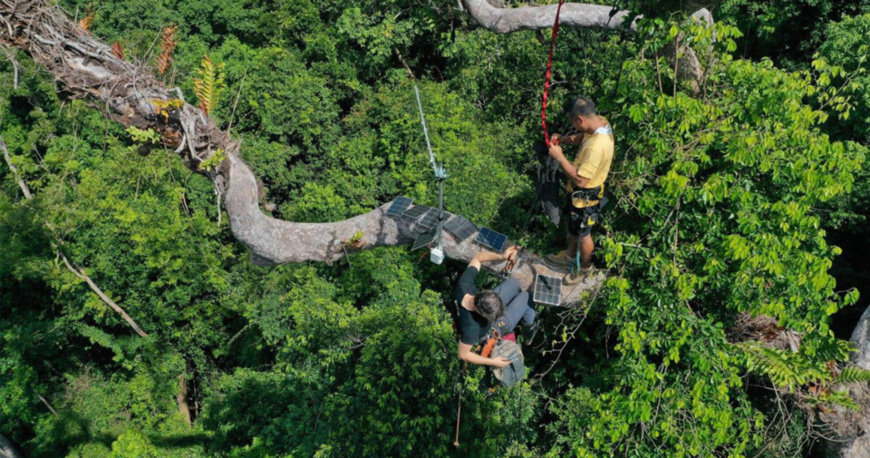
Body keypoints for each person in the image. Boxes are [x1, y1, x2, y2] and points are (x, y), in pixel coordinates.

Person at [545, 96, 614, 275]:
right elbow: (583, 136)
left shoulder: (597, 147)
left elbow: (581, 180)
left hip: (586, 196)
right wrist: (564, 140)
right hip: (578, 196)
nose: (573, 127)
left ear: (580, 119)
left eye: (573, 123)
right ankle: (569, 255)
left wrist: (559, 157)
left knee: (584, 234)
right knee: (575, 226)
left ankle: (584, 268)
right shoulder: (601, 124)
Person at [454, 246, 537, 367]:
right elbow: (464, 354)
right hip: (493, 328)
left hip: (487, 306)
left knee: (514, 283)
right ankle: (529, 332)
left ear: (484, 293)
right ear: (482, 314)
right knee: (526, 297)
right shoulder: (471, 329)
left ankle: (519, 309)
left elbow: (478, 257)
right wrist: (493, 362)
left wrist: (502, 256)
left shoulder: (464, 286)